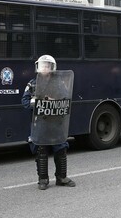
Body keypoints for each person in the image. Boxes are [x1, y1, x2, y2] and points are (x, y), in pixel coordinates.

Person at [22, 55, 75, 190]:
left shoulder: (58, 83)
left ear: (52, 68)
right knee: (41, 150)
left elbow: (65, 98)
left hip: (56, 123)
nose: (44, 68)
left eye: (47, 65)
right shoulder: (32, 84)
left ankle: (61, 177)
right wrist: (38, 102)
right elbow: (25, 102)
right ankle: (43, 179)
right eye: (42, 65)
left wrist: (54, 100)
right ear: (38, 67)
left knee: (61, 149)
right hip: (40, 123)